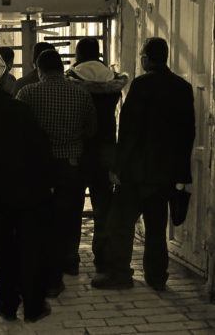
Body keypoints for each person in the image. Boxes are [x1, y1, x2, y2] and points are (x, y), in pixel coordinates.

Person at [91, 37, 195, 291]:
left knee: (120, 224)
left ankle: (120, 275)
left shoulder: (141, 85)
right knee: (157, 228)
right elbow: (187, 132)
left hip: (137, 173)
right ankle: (157, 276)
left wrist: (117, 167)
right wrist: (181, 172)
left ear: (146, 58)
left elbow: (129, 131)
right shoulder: (183, 87)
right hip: (165, 174)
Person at [16, 49, 97, 297]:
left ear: (39, 70)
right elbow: (92, 128)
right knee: (70, 214)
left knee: (41, 214)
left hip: (39, 165)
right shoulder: (81, 93)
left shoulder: (27, 93)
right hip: (71, 163)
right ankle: (69, 260)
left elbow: (20, 128)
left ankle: (43, 262)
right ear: (62, 69)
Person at [0, 70, 55, 322]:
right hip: (29, 191)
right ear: (3, 82)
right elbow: (41, 147)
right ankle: (33, 306)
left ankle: (6, 304)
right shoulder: (19, 110)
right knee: (31, 249)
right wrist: (48, 183)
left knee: (3, 249)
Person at [65, 37, 129, 276]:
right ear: (99, 53)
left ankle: (70, 259)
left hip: (78, 148)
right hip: (106, 148)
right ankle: (102, 257)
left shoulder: (71, 78)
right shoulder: (113, 80)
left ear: (79, 53)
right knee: (104, 206)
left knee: (73, 205)